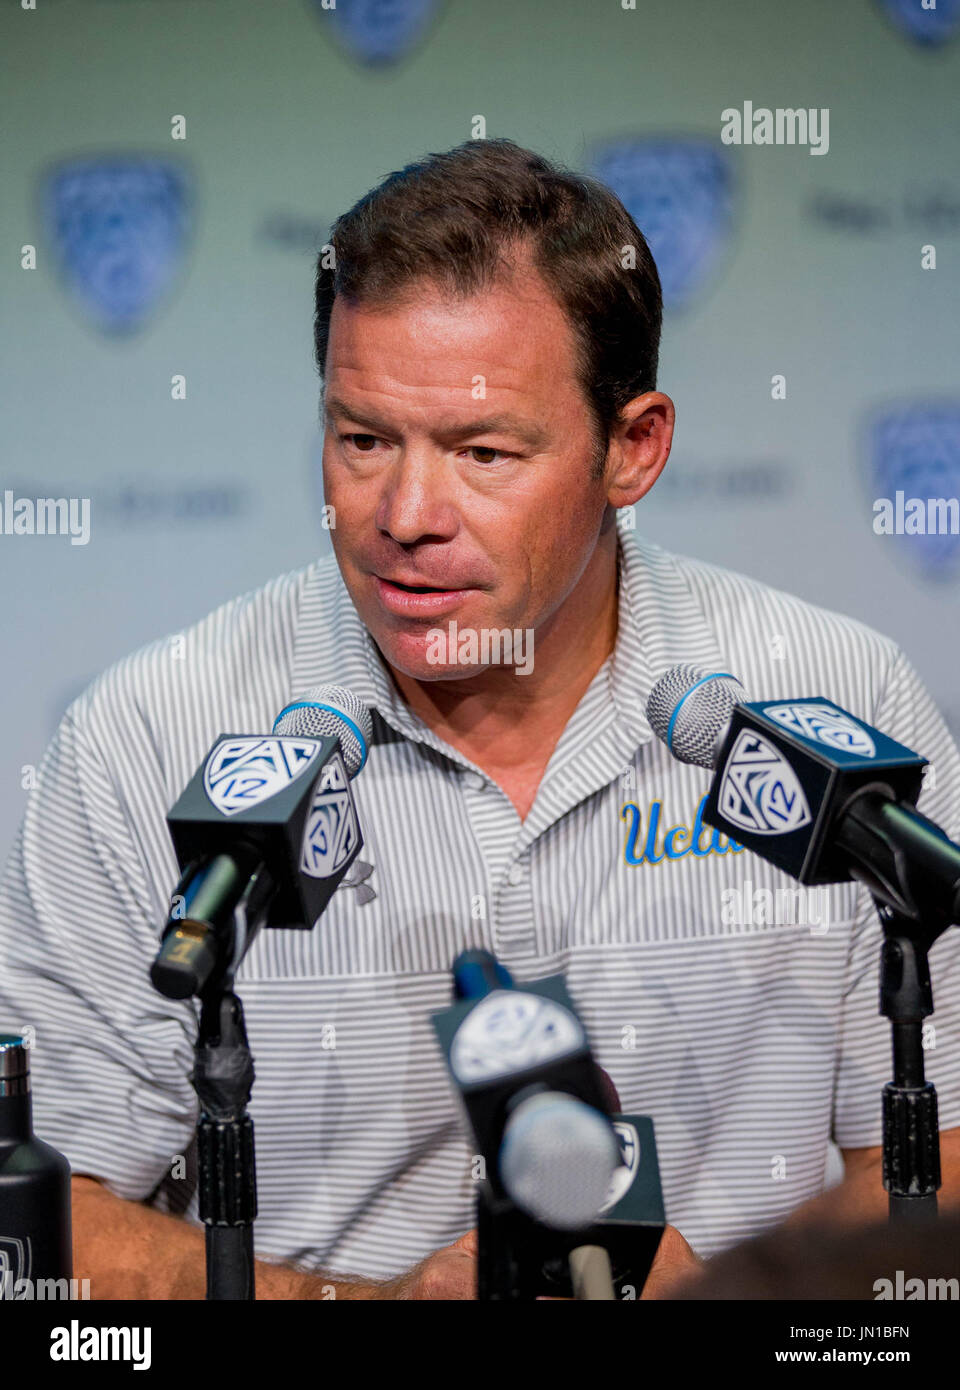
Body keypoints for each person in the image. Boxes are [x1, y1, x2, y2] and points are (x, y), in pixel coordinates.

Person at [1, 138, 958, 1301]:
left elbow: (938, 1147)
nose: (405, 514)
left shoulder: (835, 701)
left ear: (634, 447)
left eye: (482, 452)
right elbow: (48, 1204)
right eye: (362, 440)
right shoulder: (145, 741)